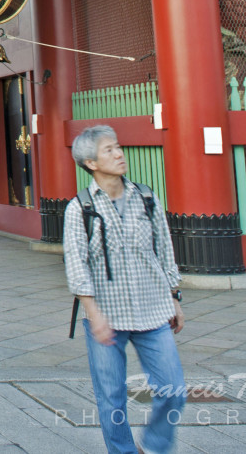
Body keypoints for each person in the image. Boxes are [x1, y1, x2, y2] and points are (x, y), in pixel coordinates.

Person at [63, 125, 185, 454]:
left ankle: (155, 447)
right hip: (107, 315)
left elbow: (164, 249)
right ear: (90, 162)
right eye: (109, 150)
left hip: (153, 311)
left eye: (118, 147)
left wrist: (175, 297)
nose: (119, 154)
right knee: (112, 398)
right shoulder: (80, 209)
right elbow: (77, 264)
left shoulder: (145, 198)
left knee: (174, 390)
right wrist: (94, 314)